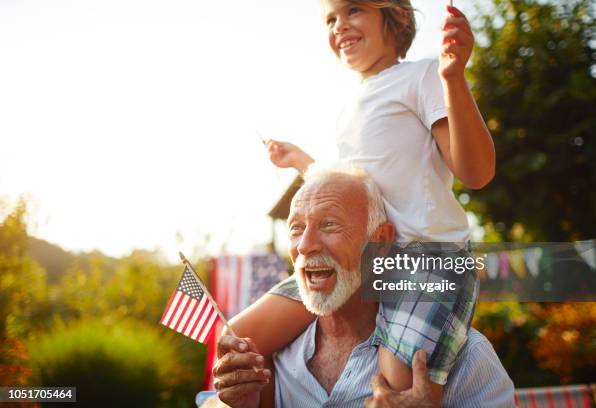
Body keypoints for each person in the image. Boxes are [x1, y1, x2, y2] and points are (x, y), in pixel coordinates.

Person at [236, 0, 495, 399]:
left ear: (395, 17)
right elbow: (351, 189)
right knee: (240, 339)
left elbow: (476, 172)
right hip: (361, 257)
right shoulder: (349, 106)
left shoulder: (422, 76)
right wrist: (300, 161)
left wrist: (453, 77)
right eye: (331, 19)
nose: (340, 25)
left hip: (425, 259)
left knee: (396, 391)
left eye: (354, 10)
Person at [213, 166, 514, 407]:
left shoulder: (465, 357)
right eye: (296, 229)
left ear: (380, 241)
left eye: (329, 224)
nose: (305, 246)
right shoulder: (268, 358)